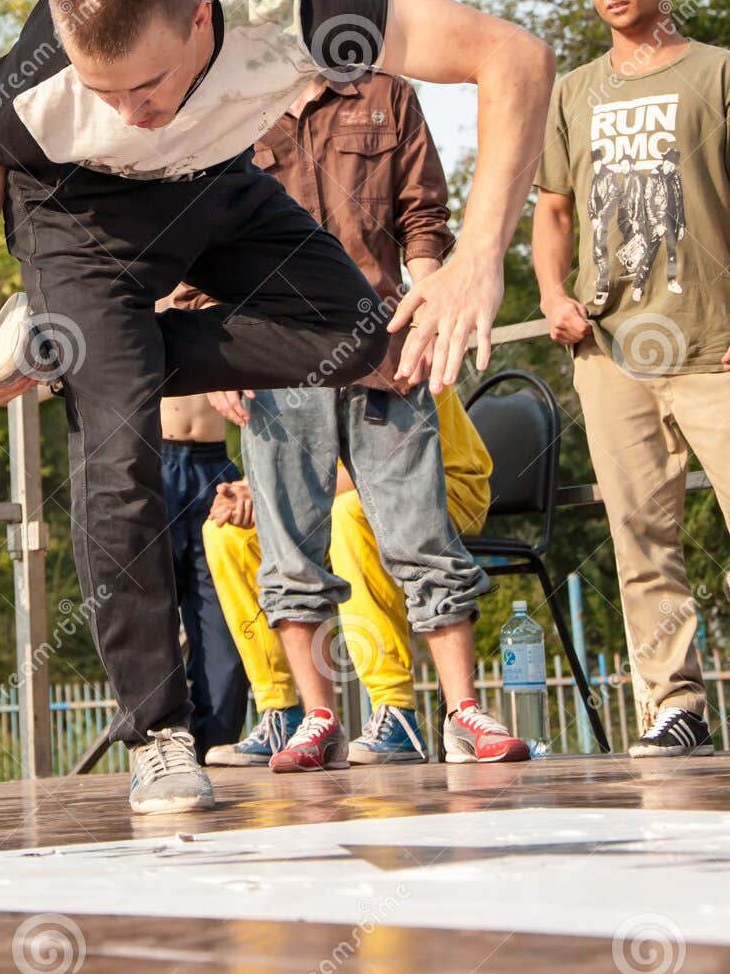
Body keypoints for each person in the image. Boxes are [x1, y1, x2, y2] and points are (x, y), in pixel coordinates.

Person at [0, 0, 553, 813]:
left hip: (212, 189)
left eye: (147, 84)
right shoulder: (34, 86)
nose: (130, 112)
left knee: (365, 348)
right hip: (80, 221)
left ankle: (87, 350)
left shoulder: (293, 3)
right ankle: (156, 733)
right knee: (119, 453)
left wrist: (479, 257)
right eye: (103, 92)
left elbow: (514, 57)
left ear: (197, 21)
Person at [201, 69, 527, 768]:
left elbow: (422, 209)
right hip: (275, 353)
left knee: (419, 531)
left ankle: (463, 710)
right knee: (286, 544)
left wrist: (430, 292)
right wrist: (219, 351)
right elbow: (202, 240)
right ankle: (316, 719)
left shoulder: (383, 92)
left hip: (383, 344)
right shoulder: (225, 104)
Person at [534, 0, 730, 758]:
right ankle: (673, 706)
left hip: (711, 344)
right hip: (609, 353)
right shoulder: (573, 91)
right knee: (639, 538)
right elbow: (550, 212)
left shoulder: (715, 74)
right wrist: (549, 294)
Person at [204, 381, 492, 765]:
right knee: (227, 535)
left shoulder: (372, 336)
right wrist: (250, 492)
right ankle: (285, 712)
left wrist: (260, 494)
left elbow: (387, 468)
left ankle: (395, 710)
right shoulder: (295, 357)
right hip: (339, 487)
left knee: (349, 515)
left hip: (444, 483)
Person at [158, 387, 249, 761]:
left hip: (215, 468)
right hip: (153, 460)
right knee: (151, 623)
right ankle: (163, 748)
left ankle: (213, 749)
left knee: (226, 626)